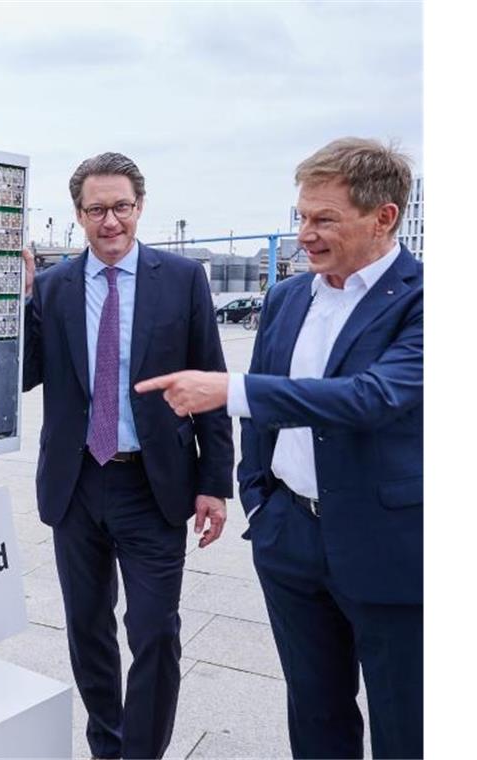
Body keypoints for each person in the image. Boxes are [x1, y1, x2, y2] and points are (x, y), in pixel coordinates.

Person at [135, 138, 422, 759]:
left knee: (408, 726)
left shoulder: (427, 299)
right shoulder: (289, 297)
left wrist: (231, 389)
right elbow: (260, 425)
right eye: (301, 216)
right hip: (290, 537)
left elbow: (369, 398)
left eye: (324, 219)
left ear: (384, 217)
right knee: (315, 715)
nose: (305, 236)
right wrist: (262, 503)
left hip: (390, 547)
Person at [22, 152, 233, 759]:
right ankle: (107, 747)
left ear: (139, 207)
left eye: (120, 207)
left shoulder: (183, 280)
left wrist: (214, 482)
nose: (109, 221)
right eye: (96, 210)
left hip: (153, 484)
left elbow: (212, 384)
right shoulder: (57, 287)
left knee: (155, 633)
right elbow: (28, 375)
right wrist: (15, 301)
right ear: (78, 215)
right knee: (88, 632)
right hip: (77, 483)